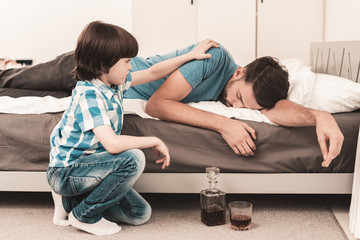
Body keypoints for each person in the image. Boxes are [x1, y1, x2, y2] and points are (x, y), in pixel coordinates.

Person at [0, 37, 343, 168]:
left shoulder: (254, 93)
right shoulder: (215, 59)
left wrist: (319, 115)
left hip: (111, 87)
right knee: (12, 80)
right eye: (238, 98)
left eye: (245, 108)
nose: (236, 106)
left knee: (15, 85)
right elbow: (157, 106)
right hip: (92, 66)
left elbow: (273, 109)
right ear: (239, 72)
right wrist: (224, 123)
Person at [46, 21, 218, 236]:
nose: (130, 66)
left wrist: (190, 55)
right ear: (103, 64)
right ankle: (84, 216)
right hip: (68, 173)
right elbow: (112, 143)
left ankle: (71, 203)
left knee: (139, 213)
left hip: (93, 169)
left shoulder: (114, 84)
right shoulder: (89, 95)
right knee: (133, 158)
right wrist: (154, 140)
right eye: (127, 61)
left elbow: (153, 72)